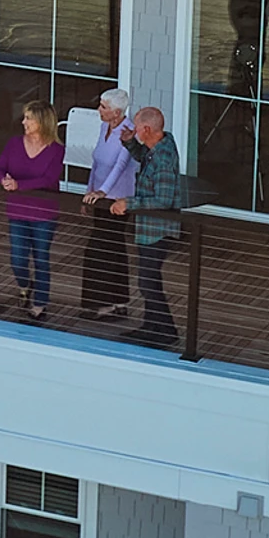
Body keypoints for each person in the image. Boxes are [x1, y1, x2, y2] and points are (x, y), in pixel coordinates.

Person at [0, 98, 68, 320]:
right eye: (25, 117)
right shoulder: (14, 143)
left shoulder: (56, 150)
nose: (23, 121)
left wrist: (20, 185)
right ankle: (25, 285)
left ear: (42, 122)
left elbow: (49, 179)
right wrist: (3, 180)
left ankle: (40, 303)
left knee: (41, 257)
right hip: (17, 210)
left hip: (44, 213)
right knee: (17, 258)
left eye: (29, 118)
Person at [125, 104, 189, 346]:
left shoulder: (163, 158)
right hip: (148, 229)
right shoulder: (157, 147)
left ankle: (166, 330)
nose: (134, 130)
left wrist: (128, 203)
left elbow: (163, 198)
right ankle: (151, 327)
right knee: (148, 279)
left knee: (147, 280)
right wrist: (131, 143)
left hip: (158, 230)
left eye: (136, 127)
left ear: (147, 128)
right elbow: (143, 157)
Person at [79, 83, 136, 319]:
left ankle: (104, 303)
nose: (99, 110)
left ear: (117, 112)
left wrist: (102, 192)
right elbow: (97, 161)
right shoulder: (104, 127)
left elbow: (120, 164)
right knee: (113, 246)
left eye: (103, 107)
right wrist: (89, 191)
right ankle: (118, 300)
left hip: (118, 199)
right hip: (100, 197)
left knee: (102, 247)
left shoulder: (128, 130)